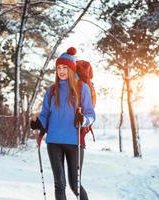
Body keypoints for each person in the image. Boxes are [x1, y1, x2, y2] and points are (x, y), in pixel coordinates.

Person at [31, 47, 95, 200]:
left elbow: (91, 115)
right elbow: (46, 113)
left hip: (75, 143)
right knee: (59, 184)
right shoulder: (52, 90)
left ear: (71, 69)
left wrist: (83, 120)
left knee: (75, 184)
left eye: (65, 67)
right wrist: (38, 122)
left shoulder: (82, 88)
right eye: (59, 68)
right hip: (53, 142)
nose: (61, 71)